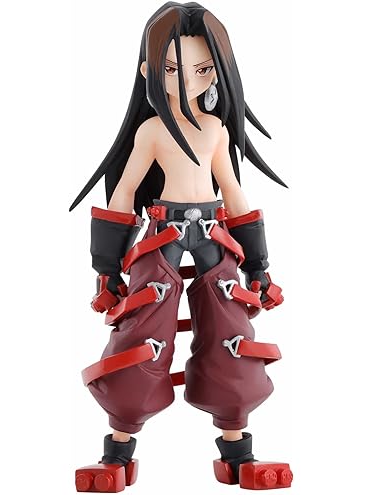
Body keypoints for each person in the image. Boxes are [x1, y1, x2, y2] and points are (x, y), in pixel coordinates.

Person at [71, 2, 292, 492]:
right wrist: (107, 268)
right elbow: (125, 192)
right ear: (149, 72)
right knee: (140, 331)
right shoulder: (151, 131)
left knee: (232, 331)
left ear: (218, 72)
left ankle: (239, 455)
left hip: (214, 231)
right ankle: (116, 454)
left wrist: (258, 265)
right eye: (171, 69)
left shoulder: (214, 129)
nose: (188, 79)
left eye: (202, 69)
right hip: (163, 230)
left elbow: (233, 192)